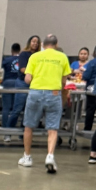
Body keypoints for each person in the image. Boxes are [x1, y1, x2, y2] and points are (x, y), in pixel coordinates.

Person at [19, 34, 72, 174]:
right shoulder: (62, 57)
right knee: (53, 128)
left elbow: (28, 79)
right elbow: (64, 81)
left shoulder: (34, 57)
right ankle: (49, 156)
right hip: (54, 94)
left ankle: (27, 157)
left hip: (36, 93)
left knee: (29, 127)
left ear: (43, 44)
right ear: (56, 44)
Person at [0, 42, 25, 140]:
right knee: (18, 109)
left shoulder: (7, 60)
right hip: (20, 85)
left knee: (6, 108)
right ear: (20, 50)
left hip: (8, 83)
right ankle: (21, 134)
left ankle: (6, 132)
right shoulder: (22, 60)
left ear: (11, 50)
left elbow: (1, 70)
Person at [82, 44, 96, 131]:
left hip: (91, 89)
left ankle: (87, 128)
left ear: (94, 52)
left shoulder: (92, 62)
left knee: (90, 110)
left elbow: (86, 76)